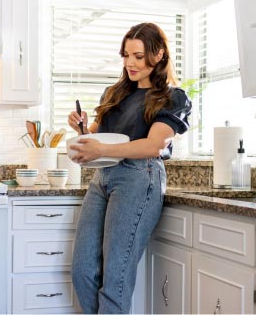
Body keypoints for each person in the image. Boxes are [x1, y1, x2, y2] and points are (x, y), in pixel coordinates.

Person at [67, 22, 192, 314]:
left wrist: (103, 149)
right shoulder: (114, 93)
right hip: (103, 178)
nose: (130, 63)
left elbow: (153, 146)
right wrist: (81, 128)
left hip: (139, 178)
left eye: (138, 56)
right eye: (126, 55)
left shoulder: (173, 98)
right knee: (83, 270)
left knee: (116, 278)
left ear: (158, 54)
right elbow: (95, 138)